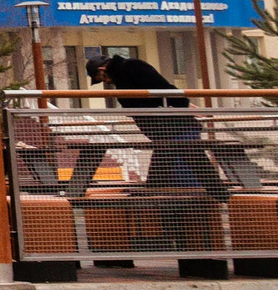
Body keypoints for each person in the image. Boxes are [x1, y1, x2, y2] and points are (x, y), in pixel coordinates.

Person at [93, 54, 226, 275]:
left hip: (172, 127)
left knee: (164, 179)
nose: (103, 82)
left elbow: (164, 88)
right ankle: (181, 223)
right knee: (170, 176)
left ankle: (182, 224)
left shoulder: (132, 68)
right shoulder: (124, 76)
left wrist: (181, 105)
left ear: (103, 68)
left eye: (99, 77)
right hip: (166, 131)